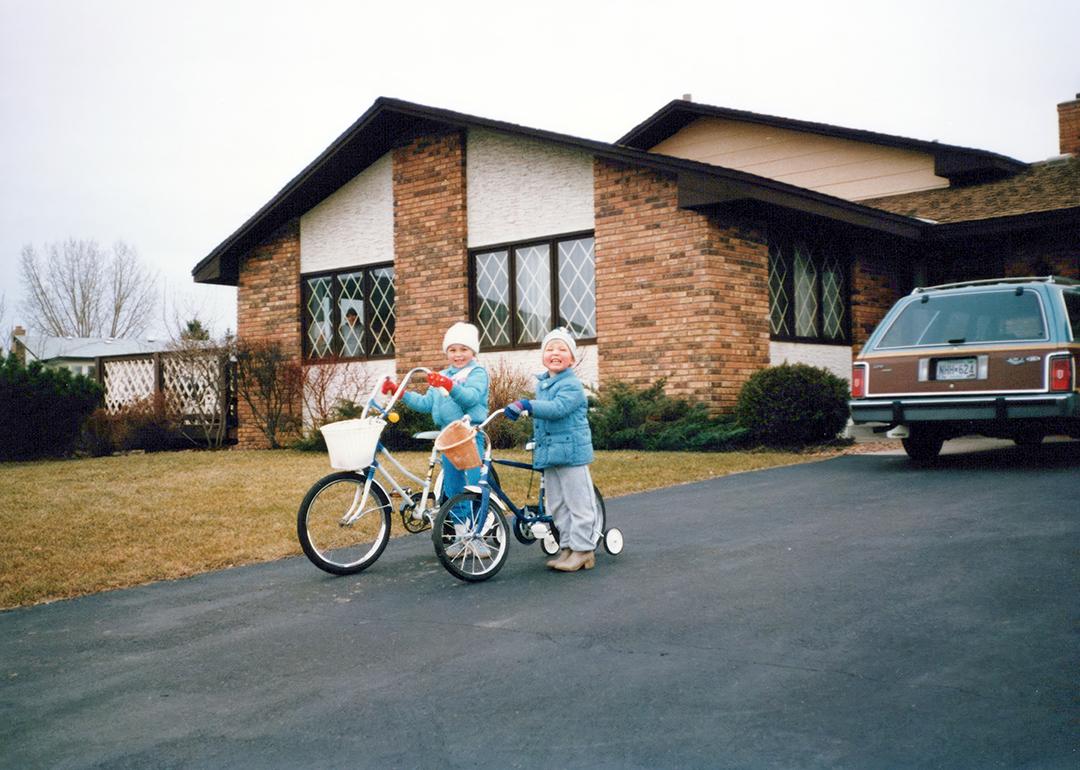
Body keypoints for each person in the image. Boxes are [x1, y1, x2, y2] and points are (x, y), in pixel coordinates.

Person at [383, 322, 489, 556]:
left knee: (474, 485)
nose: (458, 354)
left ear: (473, 352)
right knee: (453, 486)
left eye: (463, 349)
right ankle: (462, 535)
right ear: (446, 352)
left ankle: (478, 535)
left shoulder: (477, 373)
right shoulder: (441, 375)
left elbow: (471, 398)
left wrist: (450, 386)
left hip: (469, 434)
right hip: (449, 437)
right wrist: (401, 392)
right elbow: (426, 403)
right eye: (452, 350)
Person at [504, 327, 600, 572]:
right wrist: (525, 411)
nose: (555, 353)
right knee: (556, 504)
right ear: (542, 355)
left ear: (572, 358)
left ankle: (584, 550)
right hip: (551, 453)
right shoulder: (544, 384)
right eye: (549, 348)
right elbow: (542, 415)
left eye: (562, 349)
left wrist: (527, 404)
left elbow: (557, 409)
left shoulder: (571, 385)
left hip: (571, 453)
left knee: (578, 502)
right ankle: (567, 546)